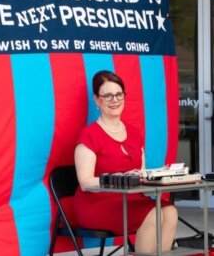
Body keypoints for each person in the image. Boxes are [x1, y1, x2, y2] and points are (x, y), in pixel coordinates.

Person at [74, 70, 178, 254]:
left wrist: (154, 176)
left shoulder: (134, 133)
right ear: (97, 100)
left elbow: (141, 172)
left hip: (130, 199)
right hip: (99, 204)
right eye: (108, 95)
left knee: (170, 212)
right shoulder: (89, 135)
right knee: (153, 213)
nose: (115, 100)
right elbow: (85, 182)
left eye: (119, 94)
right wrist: (121, 178)